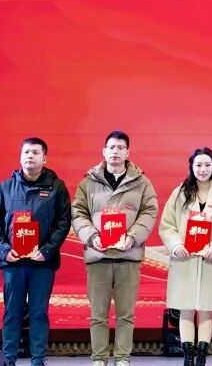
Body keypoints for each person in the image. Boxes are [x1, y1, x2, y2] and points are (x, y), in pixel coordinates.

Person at [71, 130, 160, 366]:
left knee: (125, 315)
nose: (115, 152)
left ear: (128, 152)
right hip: (98, 256)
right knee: (98, 314)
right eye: (111, 147)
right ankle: (99, 358)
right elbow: (78, 213)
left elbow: (149, 212)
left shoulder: (141, 182)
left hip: (128, 256)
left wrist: (132, 237)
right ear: (104, 151)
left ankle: (122, 358)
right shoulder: (88, 182)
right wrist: (92, 237)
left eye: (120, 148)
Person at [0, 137, 72, 366]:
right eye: (26, 152)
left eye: (35, 152)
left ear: (44, 158)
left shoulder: (56, 187)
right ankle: (9, 360)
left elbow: (63, 221)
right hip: (13, 262)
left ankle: (38, 360)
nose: (30, 156)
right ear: (20, 157)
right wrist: (4, 250)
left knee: (38, 312)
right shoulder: (6, 187)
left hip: (42, 262)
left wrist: (47, 250)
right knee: (12, 312)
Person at [160, 148, 212, 366]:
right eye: (199, 165)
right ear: (191, 166)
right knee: (186, 309)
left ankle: (201, 357)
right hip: (185, 260)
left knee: (207, 310)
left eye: (207, 165)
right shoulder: (179, 193)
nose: (203, 169)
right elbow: (167, 225)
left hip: (210, 260)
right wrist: (176, 245)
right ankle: (187, 358)